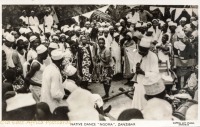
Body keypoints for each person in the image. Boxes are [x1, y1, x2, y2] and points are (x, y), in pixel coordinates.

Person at [131, 37, 159, 110]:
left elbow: (155, 74)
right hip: (139, 82)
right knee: (138, 105)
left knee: (147, 107)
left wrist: (143, 72)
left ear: (148, 50)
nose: (141, 54)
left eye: (143, 52)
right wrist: (135, 69)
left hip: (149, 84)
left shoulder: (153, 56)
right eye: (140, 52)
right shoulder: (137, 54)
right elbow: (133, 67)